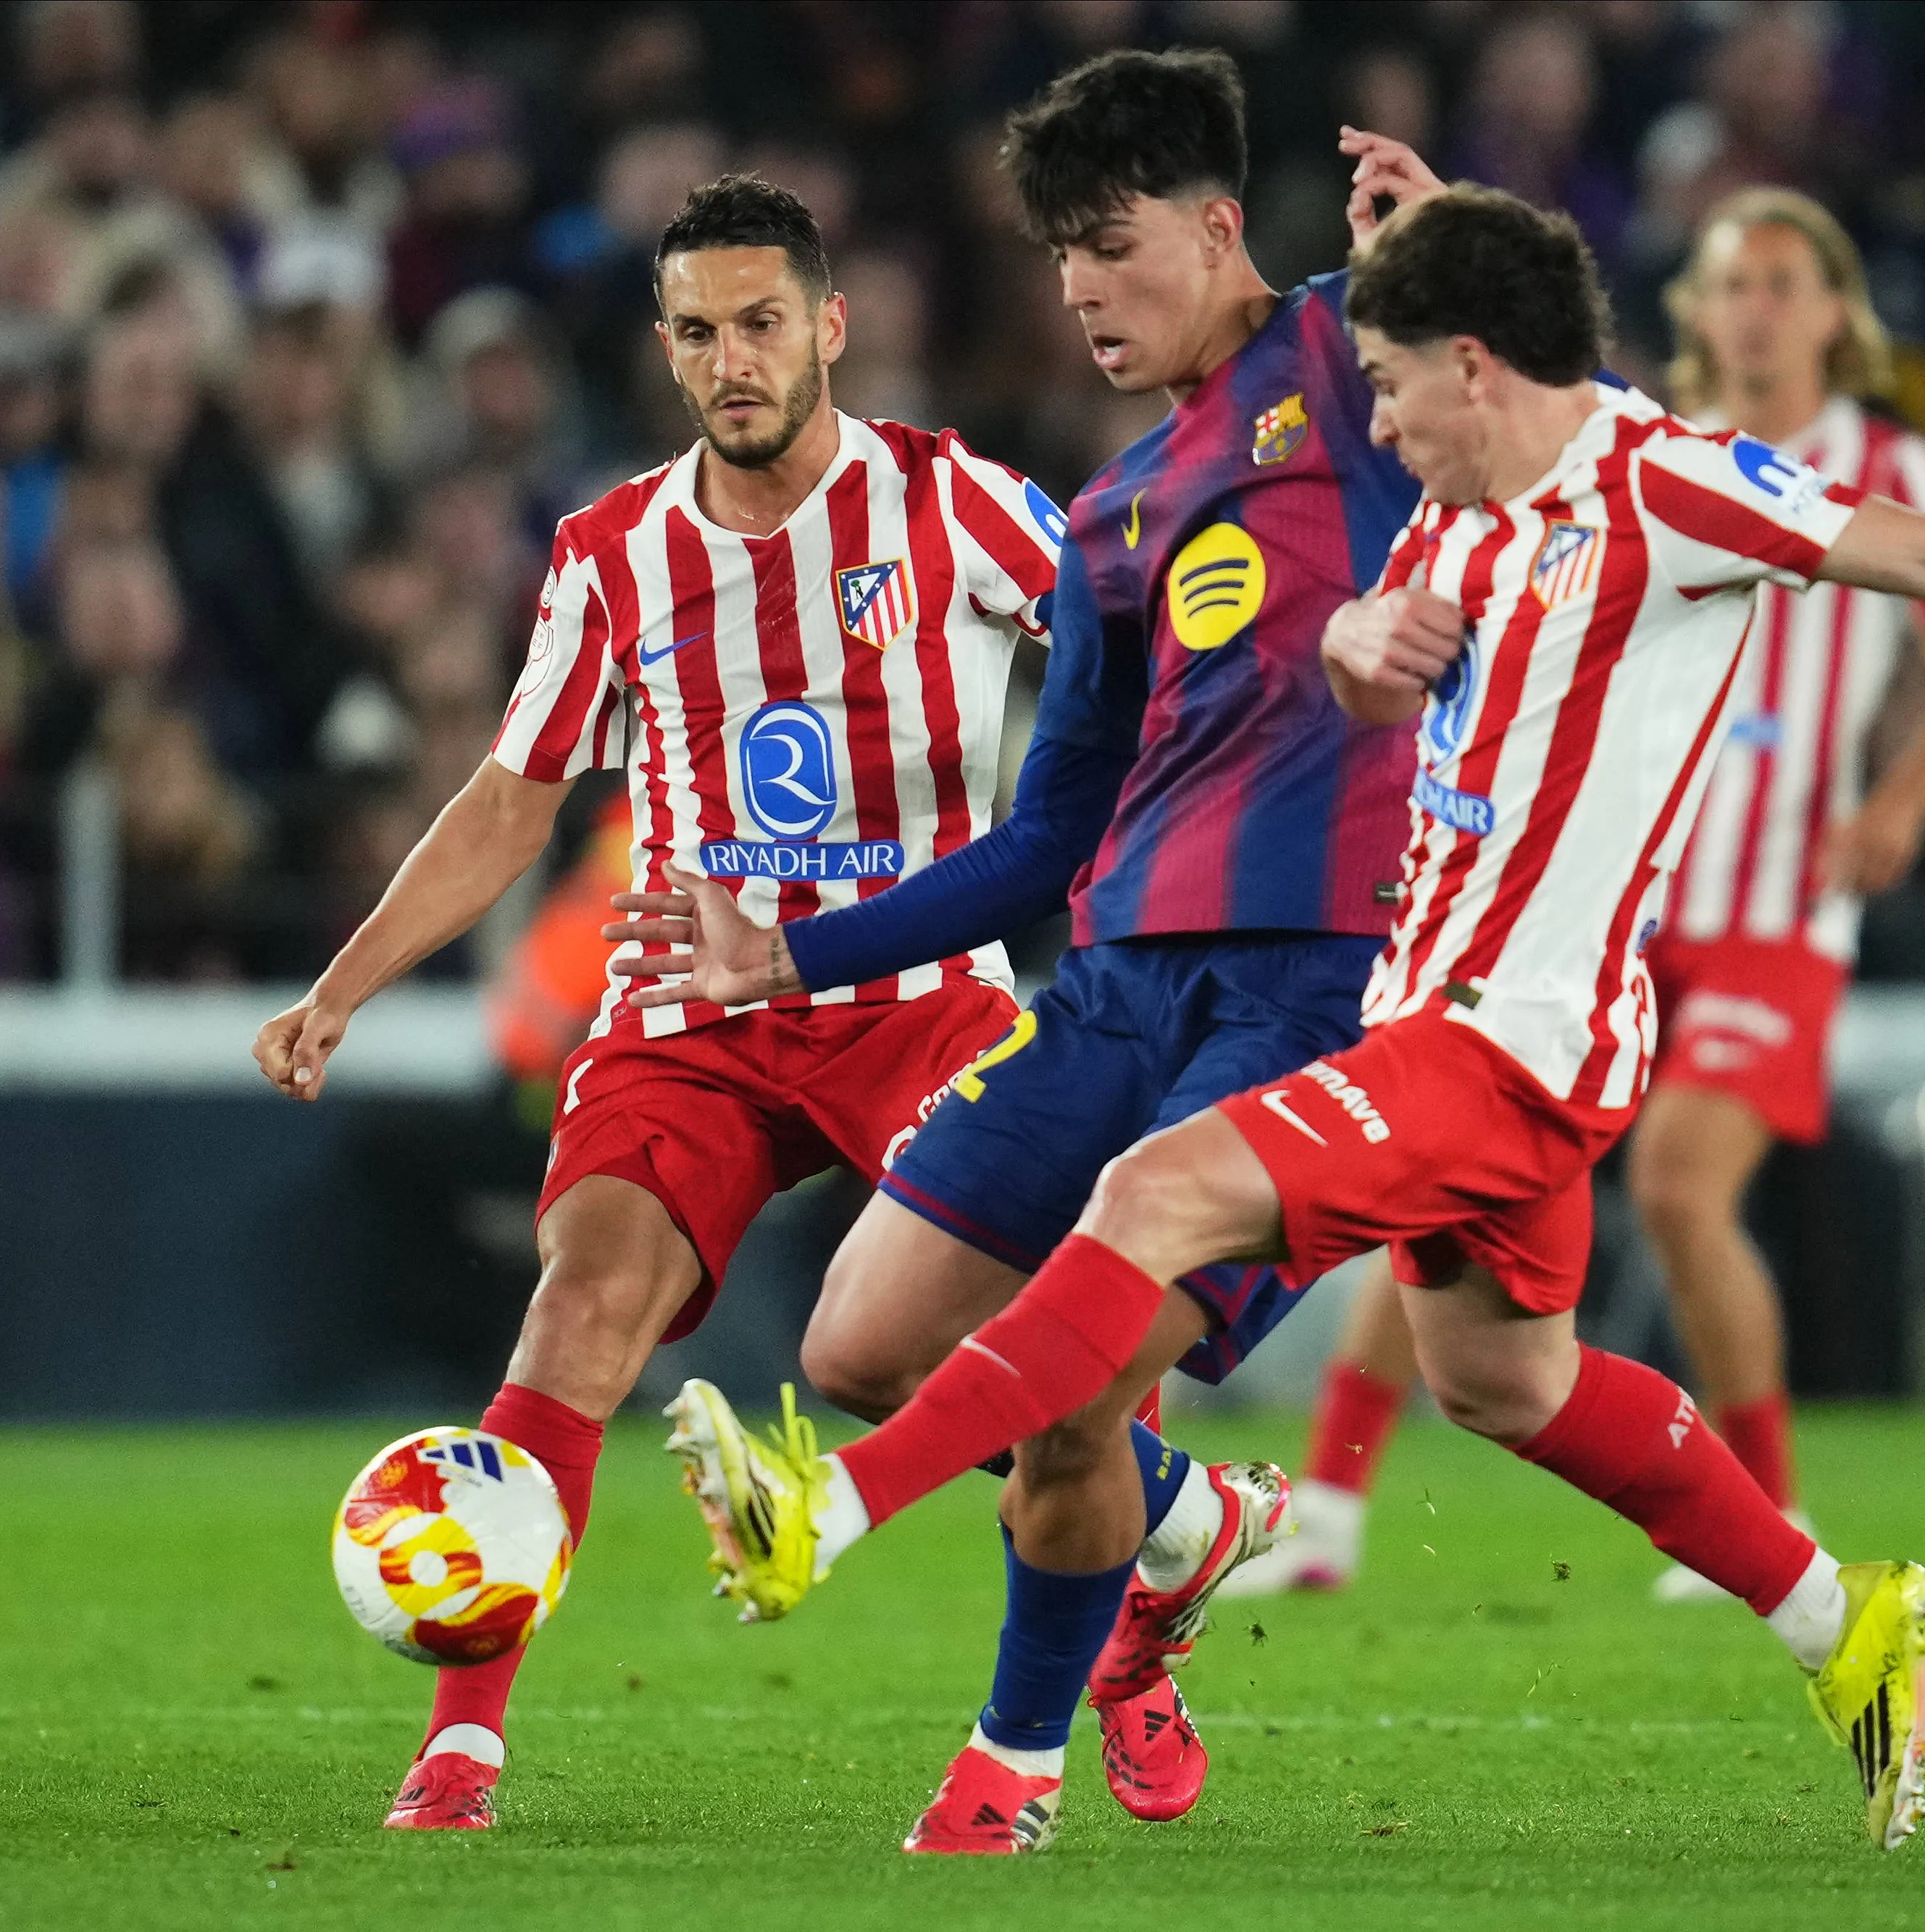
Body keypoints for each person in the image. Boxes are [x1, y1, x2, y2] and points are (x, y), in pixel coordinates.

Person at [634, 185, 1925, 1851]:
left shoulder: (1671, 486)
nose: (1379, 425)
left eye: (1394, 388)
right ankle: (1837, 1618)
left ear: (1475, 365)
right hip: (1452, 1019)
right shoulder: (1470, 535)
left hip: (1507, 1037)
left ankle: (838, 1505)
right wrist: (1350, 655)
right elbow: (1381, 664)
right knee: (1506, 1380)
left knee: (1149, 1198)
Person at [606, 52, 1450, 1852]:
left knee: (1082, 1363)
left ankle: (1011, 1767)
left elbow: (1565, 404)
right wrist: (793, 955)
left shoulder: (1351, 365)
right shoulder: (1111, 518)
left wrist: (1452, 257)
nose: (1077, 285)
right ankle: (1179, 1529)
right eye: (1055, 252)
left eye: (1111, 242)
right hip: (1109, 989)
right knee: (860, 1336)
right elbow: (1044, 842)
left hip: (1311, 991)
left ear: (1218, 228)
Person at [249, 174, 1061, 1833]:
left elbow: (1129, 665)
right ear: (665, 350)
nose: (731, 360)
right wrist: (339, 988)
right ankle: (460, 1746)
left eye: (761, 323)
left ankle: (1154, 1545)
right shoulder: (610, 553)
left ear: (829, 325)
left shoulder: (953, 501)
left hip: (915, 991)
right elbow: (506, 801)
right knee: (577, 1304)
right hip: (690, 1006)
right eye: (697, 332)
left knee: (923, 1359)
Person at [1225, 187, 1925, 1602]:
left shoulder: (1881, 456)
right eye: (1732, 282)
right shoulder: (1640, 442)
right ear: (1695, 309)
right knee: (1436, 1184)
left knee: (1674, 1184)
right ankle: (1332, 1509)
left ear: (1837, 313)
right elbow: (1510, 385)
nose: (1756, 309)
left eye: (1785, 282)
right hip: (1606, 911)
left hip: (1776, 905)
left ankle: (1758, 1518)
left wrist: (1895, 802)